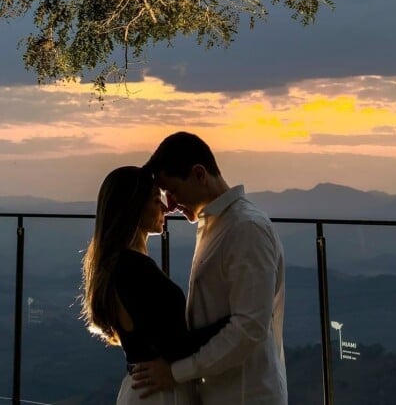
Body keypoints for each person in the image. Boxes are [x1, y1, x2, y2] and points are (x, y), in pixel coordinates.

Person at [131, 132, 287, 404]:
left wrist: (176, 372)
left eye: (173, 191)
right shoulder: (216, 226)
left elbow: (249, 326)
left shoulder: (245, 228)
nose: (170, 205)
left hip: (245, 395)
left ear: (200, 174)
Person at [81, 165, 229, 404]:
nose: (164, 207)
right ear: (133, 209)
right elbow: (175, 346)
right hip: (158, 394)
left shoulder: (118, 265)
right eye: (154, 200)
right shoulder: (134, 268)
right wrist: (233, 321)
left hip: (144, 390)